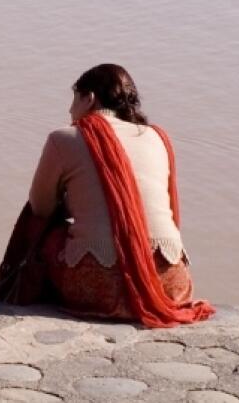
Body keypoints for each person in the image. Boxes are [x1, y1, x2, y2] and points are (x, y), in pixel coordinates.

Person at [25, 63, 213, 327]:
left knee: (43, 232)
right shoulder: (159, 137)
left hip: (97, 289)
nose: (69, 110)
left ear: (88, 98)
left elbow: (40, 208)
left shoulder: (63, 138)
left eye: (73, 99)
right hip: (169, 284)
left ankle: (20, 298)